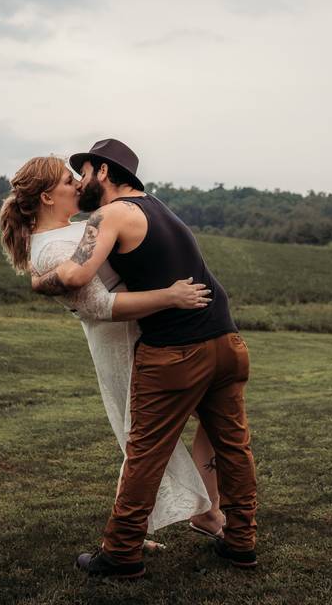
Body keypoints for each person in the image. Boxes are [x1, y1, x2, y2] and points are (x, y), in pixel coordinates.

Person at [28, 139, 258, 578]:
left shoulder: (110, 214)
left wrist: (38, 281)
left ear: (105, 173)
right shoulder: (159, 207)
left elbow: (75, 276)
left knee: (146, 452)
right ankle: (241, 542)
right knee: (234, 446)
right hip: (227, 343)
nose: (81, 182)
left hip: (176, 351)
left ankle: (121, 552)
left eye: (86, 172)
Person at [0, 156, 228, 547]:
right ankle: (143, 531)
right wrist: (170, 296)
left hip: (160, 333)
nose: (77, 185)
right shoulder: (51, 249)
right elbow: (102, 308)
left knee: (187, 424)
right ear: (48, 196)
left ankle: (206, 511)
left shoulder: (74, 231)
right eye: (68, 181)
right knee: (142, 439)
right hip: (122, 343)